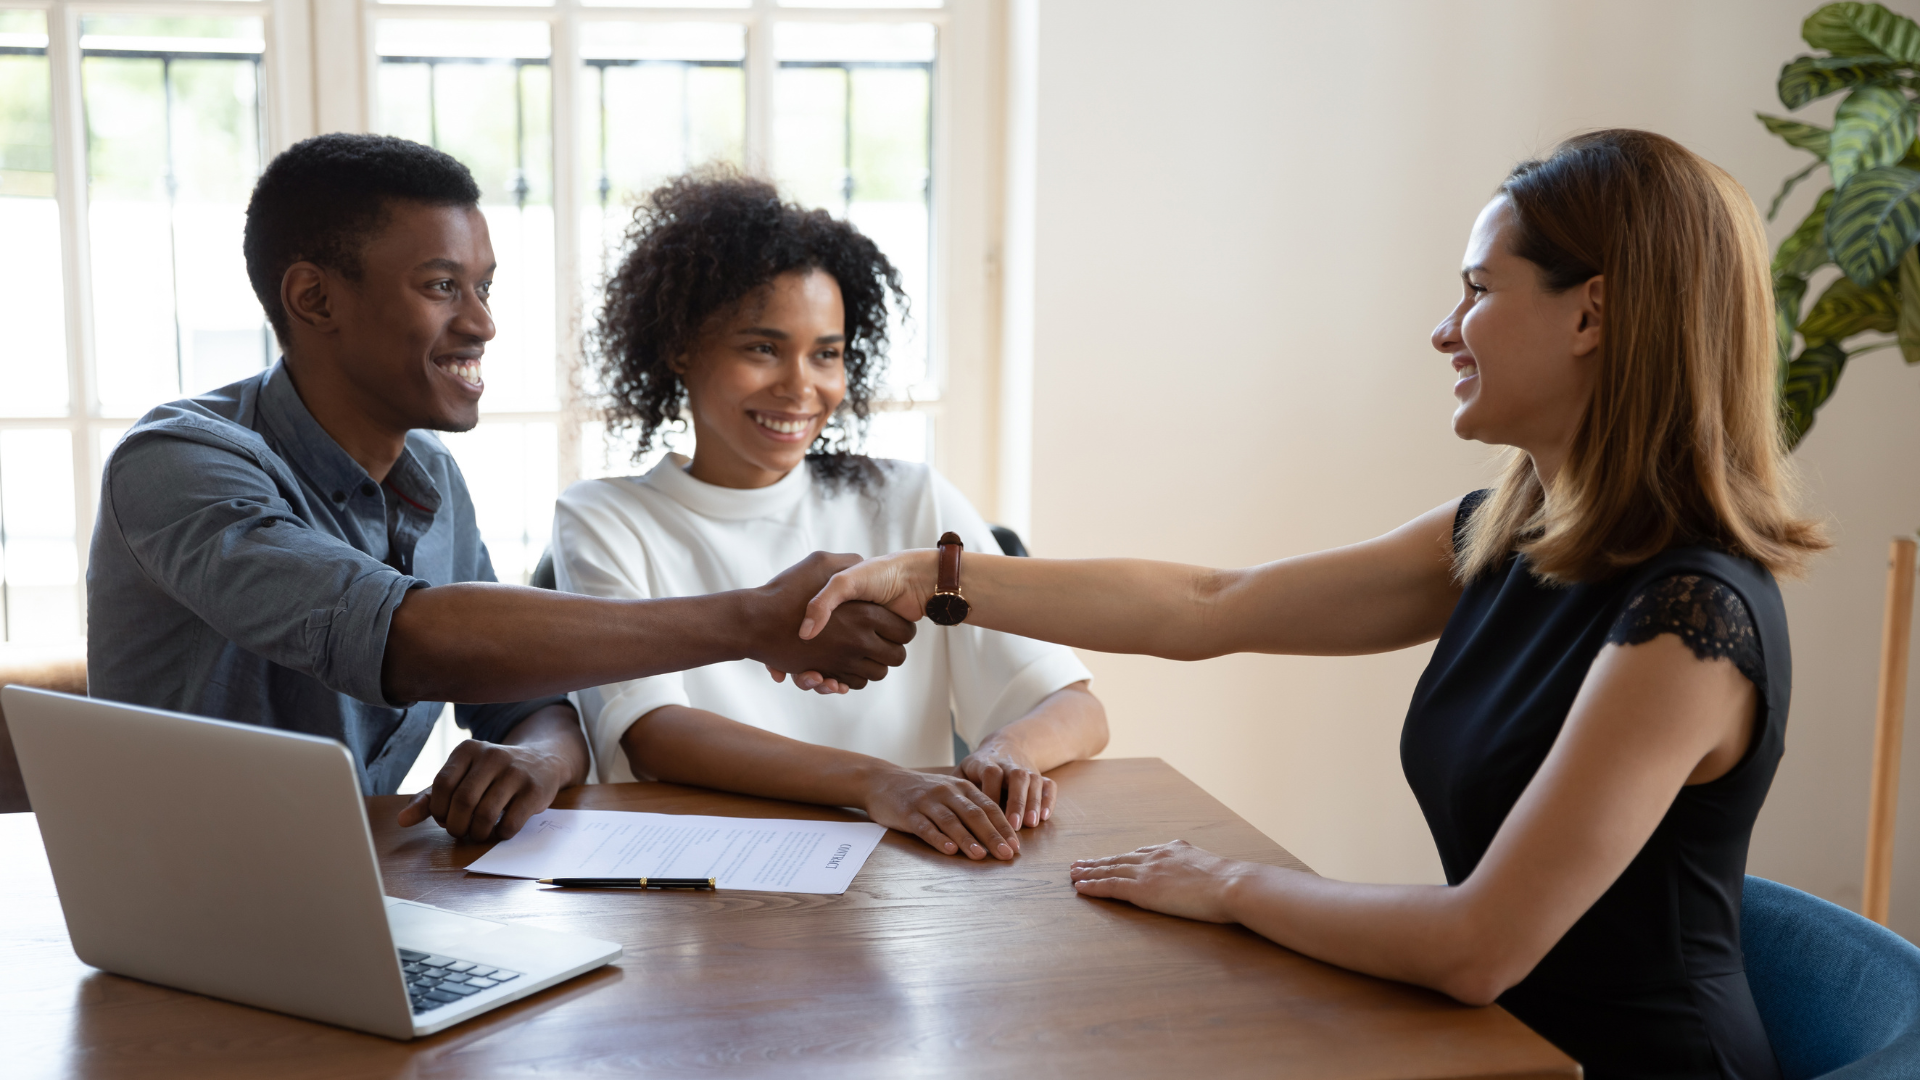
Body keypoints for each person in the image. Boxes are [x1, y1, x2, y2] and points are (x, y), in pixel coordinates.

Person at [798, 129, 1823, 1078]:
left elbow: (1477, 946)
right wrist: (934, 577)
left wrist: (1231, 884)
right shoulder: (1499, 537)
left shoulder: (1691, 619)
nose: (1444, 330)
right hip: (1487, 1046)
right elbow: (1209, 605)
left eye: (1476, 290)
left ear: (1591, 314)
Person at [87, 134, 915, 844]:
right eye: (443, 286)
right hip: (186, 911)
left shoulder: (432, 480)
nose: (482, 323)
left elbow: (528, 702)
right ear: (314, 297)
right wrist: (753, 621)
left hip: (361, 892)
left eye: (484, 287)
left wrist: (539, 758)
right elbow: (408, 640)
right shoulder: (179, 463)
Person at [552, 172, 1107, 862]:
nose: (800, 386)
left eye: (827, 354)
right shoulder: (606, 517)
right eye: (762, 348)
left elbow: (1077, 708)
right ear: (681, 348)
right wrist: (881, 784)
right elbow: (655, 733)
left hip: (907, 882)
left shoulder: (910, 498)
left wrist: (1008, 748)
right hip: (699, 886)